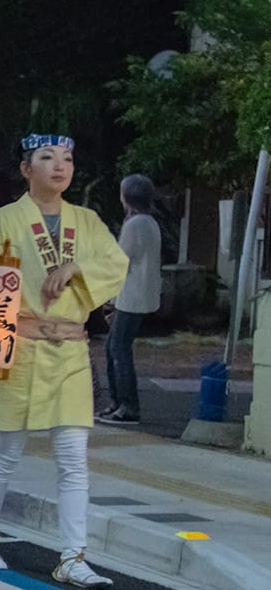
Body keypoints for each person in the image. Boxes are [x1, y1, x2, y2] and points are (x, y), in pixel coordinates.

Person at [0, 134, 129, 589]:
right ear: (25, 169)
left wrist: (75, 268)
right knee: (6, 451)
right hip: (19, 347)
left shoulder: (87, 220)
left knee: (74, 459)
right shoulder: (6, 219)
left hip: (70, 350)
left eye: (68, 159)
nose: (60, 166)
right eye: (47, 158)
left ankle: (74, 555)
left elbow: (115, 263)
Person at [101, 173, 161, 426]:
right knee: (113, 347)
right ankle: (118, 402)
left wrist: (109, 297)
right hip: (138, 294)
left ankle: (128, 406)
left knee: (118, 349)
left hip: (131, 296)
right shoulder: (149, 222)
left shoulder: (135, 224)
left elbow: (119, 261)